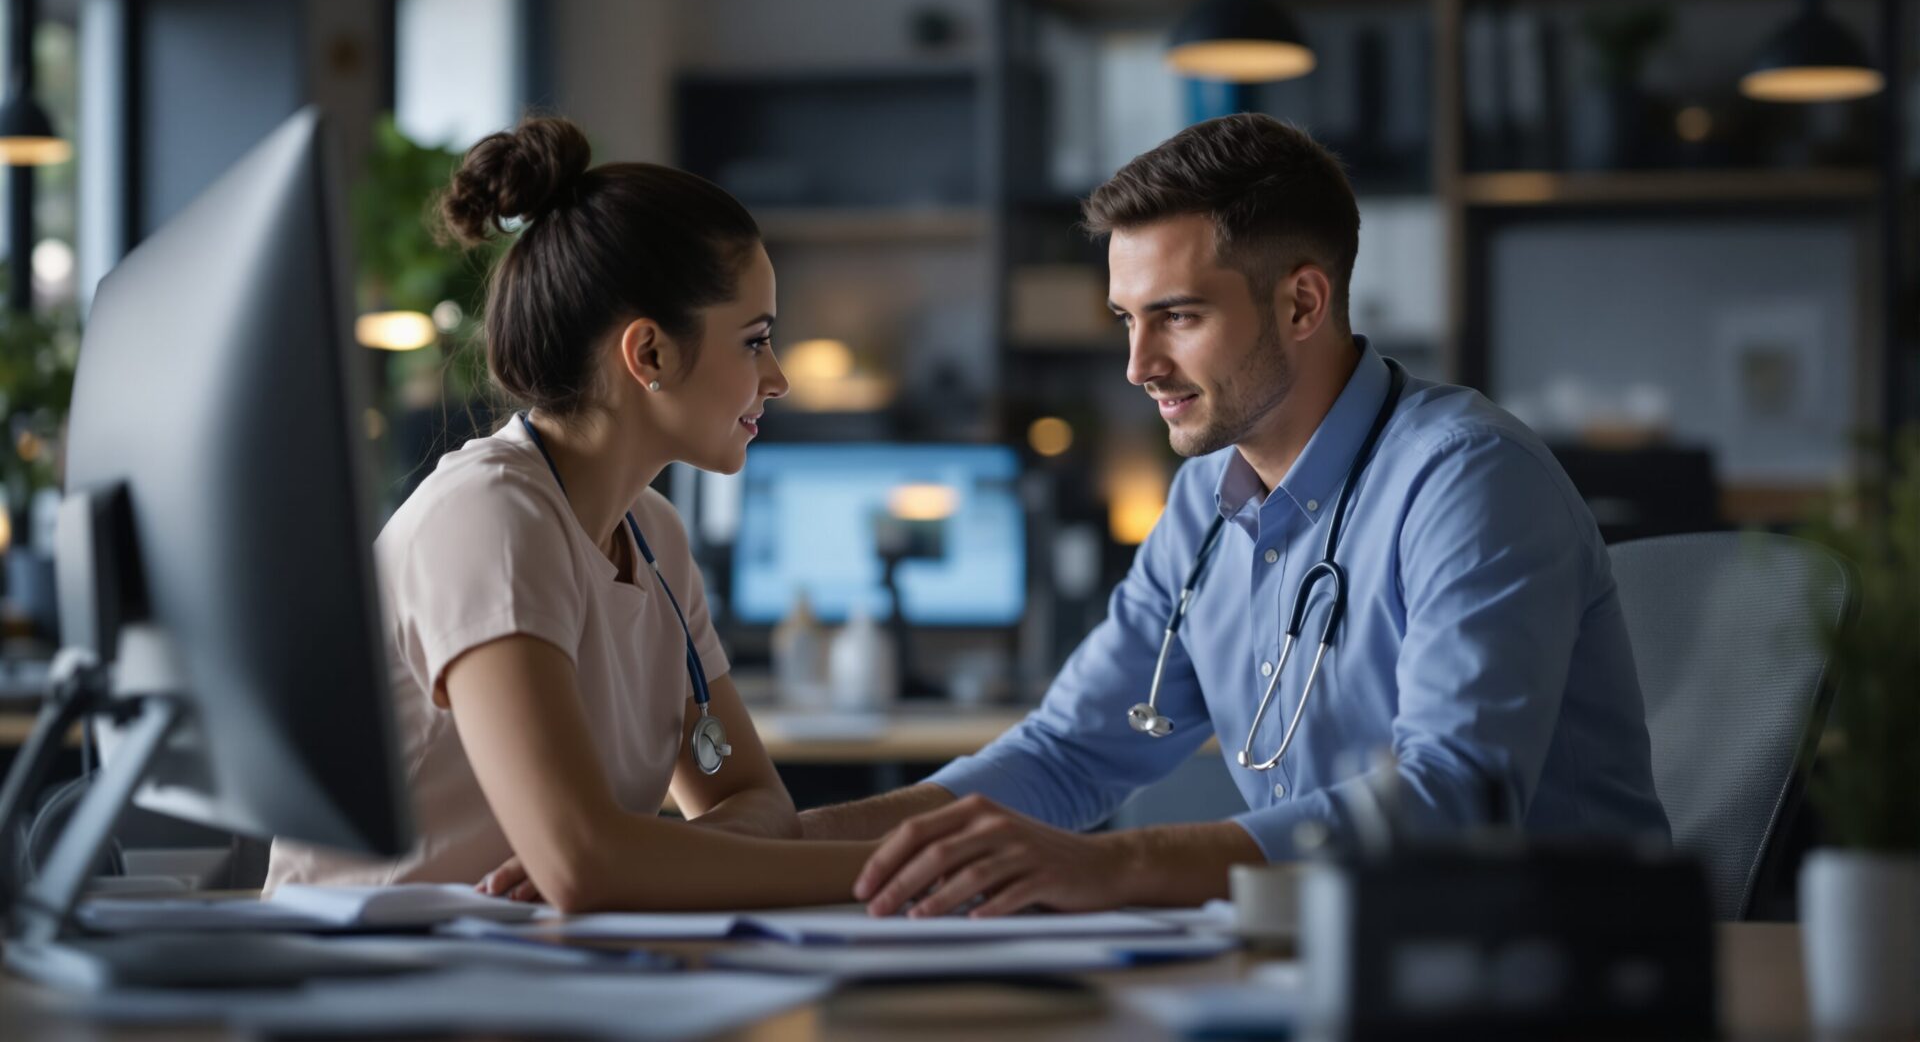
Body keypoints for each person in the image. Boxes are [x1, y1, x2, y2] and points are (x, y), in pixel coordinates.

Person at [798, 113, 1671, 918]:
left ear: (1301, 303)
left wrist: (1110, 867)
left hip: (1549, 963)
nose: (1139, 366)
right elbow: (1068, 754)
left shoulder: (1468, 480)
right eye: (1126, 320)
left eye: (1177, 316)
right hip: (1332, 951)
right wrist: (788, 844)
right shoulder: (1204, 501)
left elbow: (1449, 801)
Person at [264, 116, 874, 913]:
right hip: (366, 979)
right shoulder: (490, 517)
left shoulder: (654, 534)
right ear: (648, 353)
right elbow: (589, 871)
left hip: (518, 969)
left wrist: (635, 855)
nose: (779, 378)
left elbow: (756, 805)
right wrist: (891, 870)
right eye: (755, 341)